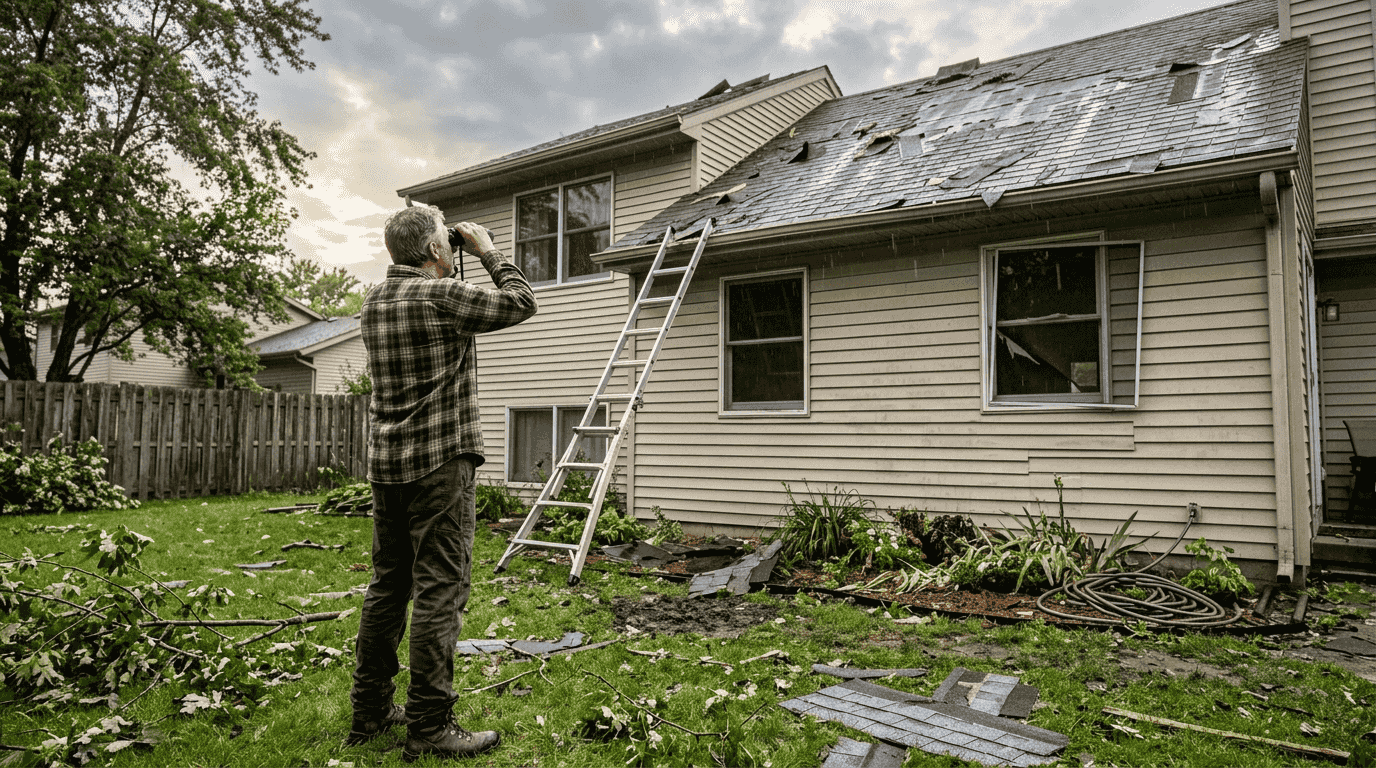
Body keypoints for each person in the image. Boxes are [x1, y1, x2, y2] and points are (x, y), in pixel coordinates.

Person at [345, 205, 537, 761]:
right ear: (433, 251)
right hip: (440, 462)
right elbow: (521, 303)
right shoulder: (439, 296)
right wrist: (487, 252)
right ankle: (430, 725)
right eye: (444, 241)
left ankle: (371, 710)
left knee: (388, 586)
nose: (451, 248)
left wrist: (455, 259)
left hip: (388, 465)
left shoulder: (373, 300)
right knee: (440, 588)